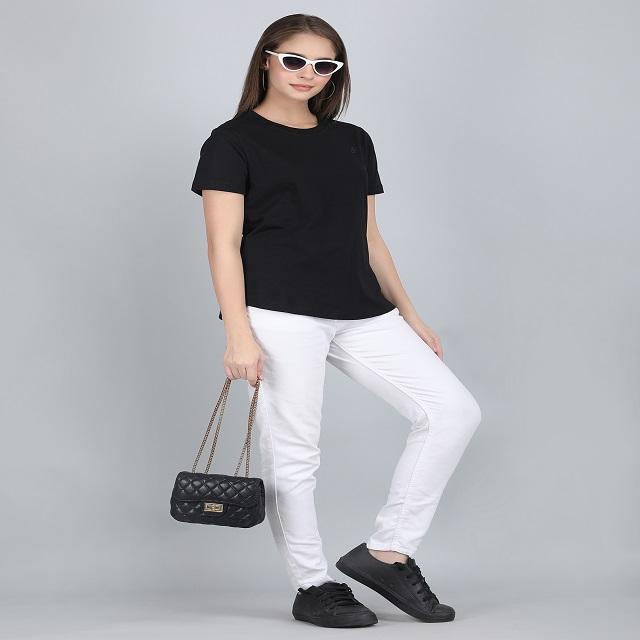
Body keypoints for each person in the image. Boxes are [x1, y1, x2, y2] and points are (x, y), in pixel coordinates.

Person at [190, 13, 482, 629]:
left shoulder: (352, 141)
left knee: (453, 411)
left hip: (360, 309)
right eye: (295, 60)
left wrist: (409, 313)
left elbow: (370, 237)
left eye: (324, 65)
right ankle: (312, 584)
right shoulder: (231, 142)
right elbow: (223, 245)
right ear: (267, 59)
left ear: (335, 74)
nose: (308, 74)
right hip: (277, 311)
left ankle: (387, 552)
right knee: (295, 453)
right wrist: (237, 333)